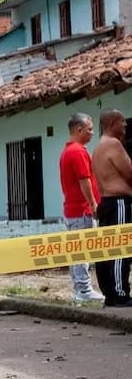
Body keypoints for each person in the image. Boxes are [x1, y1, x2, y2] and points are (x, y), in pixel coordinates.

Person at [58, 113, 105, 302]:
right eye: (90, 129)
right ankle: (83, 290)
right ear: (79, 130)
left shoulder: (69, 151)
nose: (92, 133)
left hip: (74, 209)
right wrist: (93, 204)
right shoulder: (77, 151)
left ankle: (80, 288)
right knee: (81, 251)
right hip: (81, 210)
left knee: (77, 250)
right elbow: (84, 181)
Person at [90, 109, 132, 306]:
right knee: (120, 248)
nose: (125, 126)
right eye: (122, 122)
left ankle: (110, 293)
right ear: (112, 122)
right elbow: (130, 173)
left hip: (106, 203)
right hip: (119, 203)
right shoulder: (113, 144)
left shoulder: (97, 147)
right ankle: (120, 293)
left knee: (106, 249)